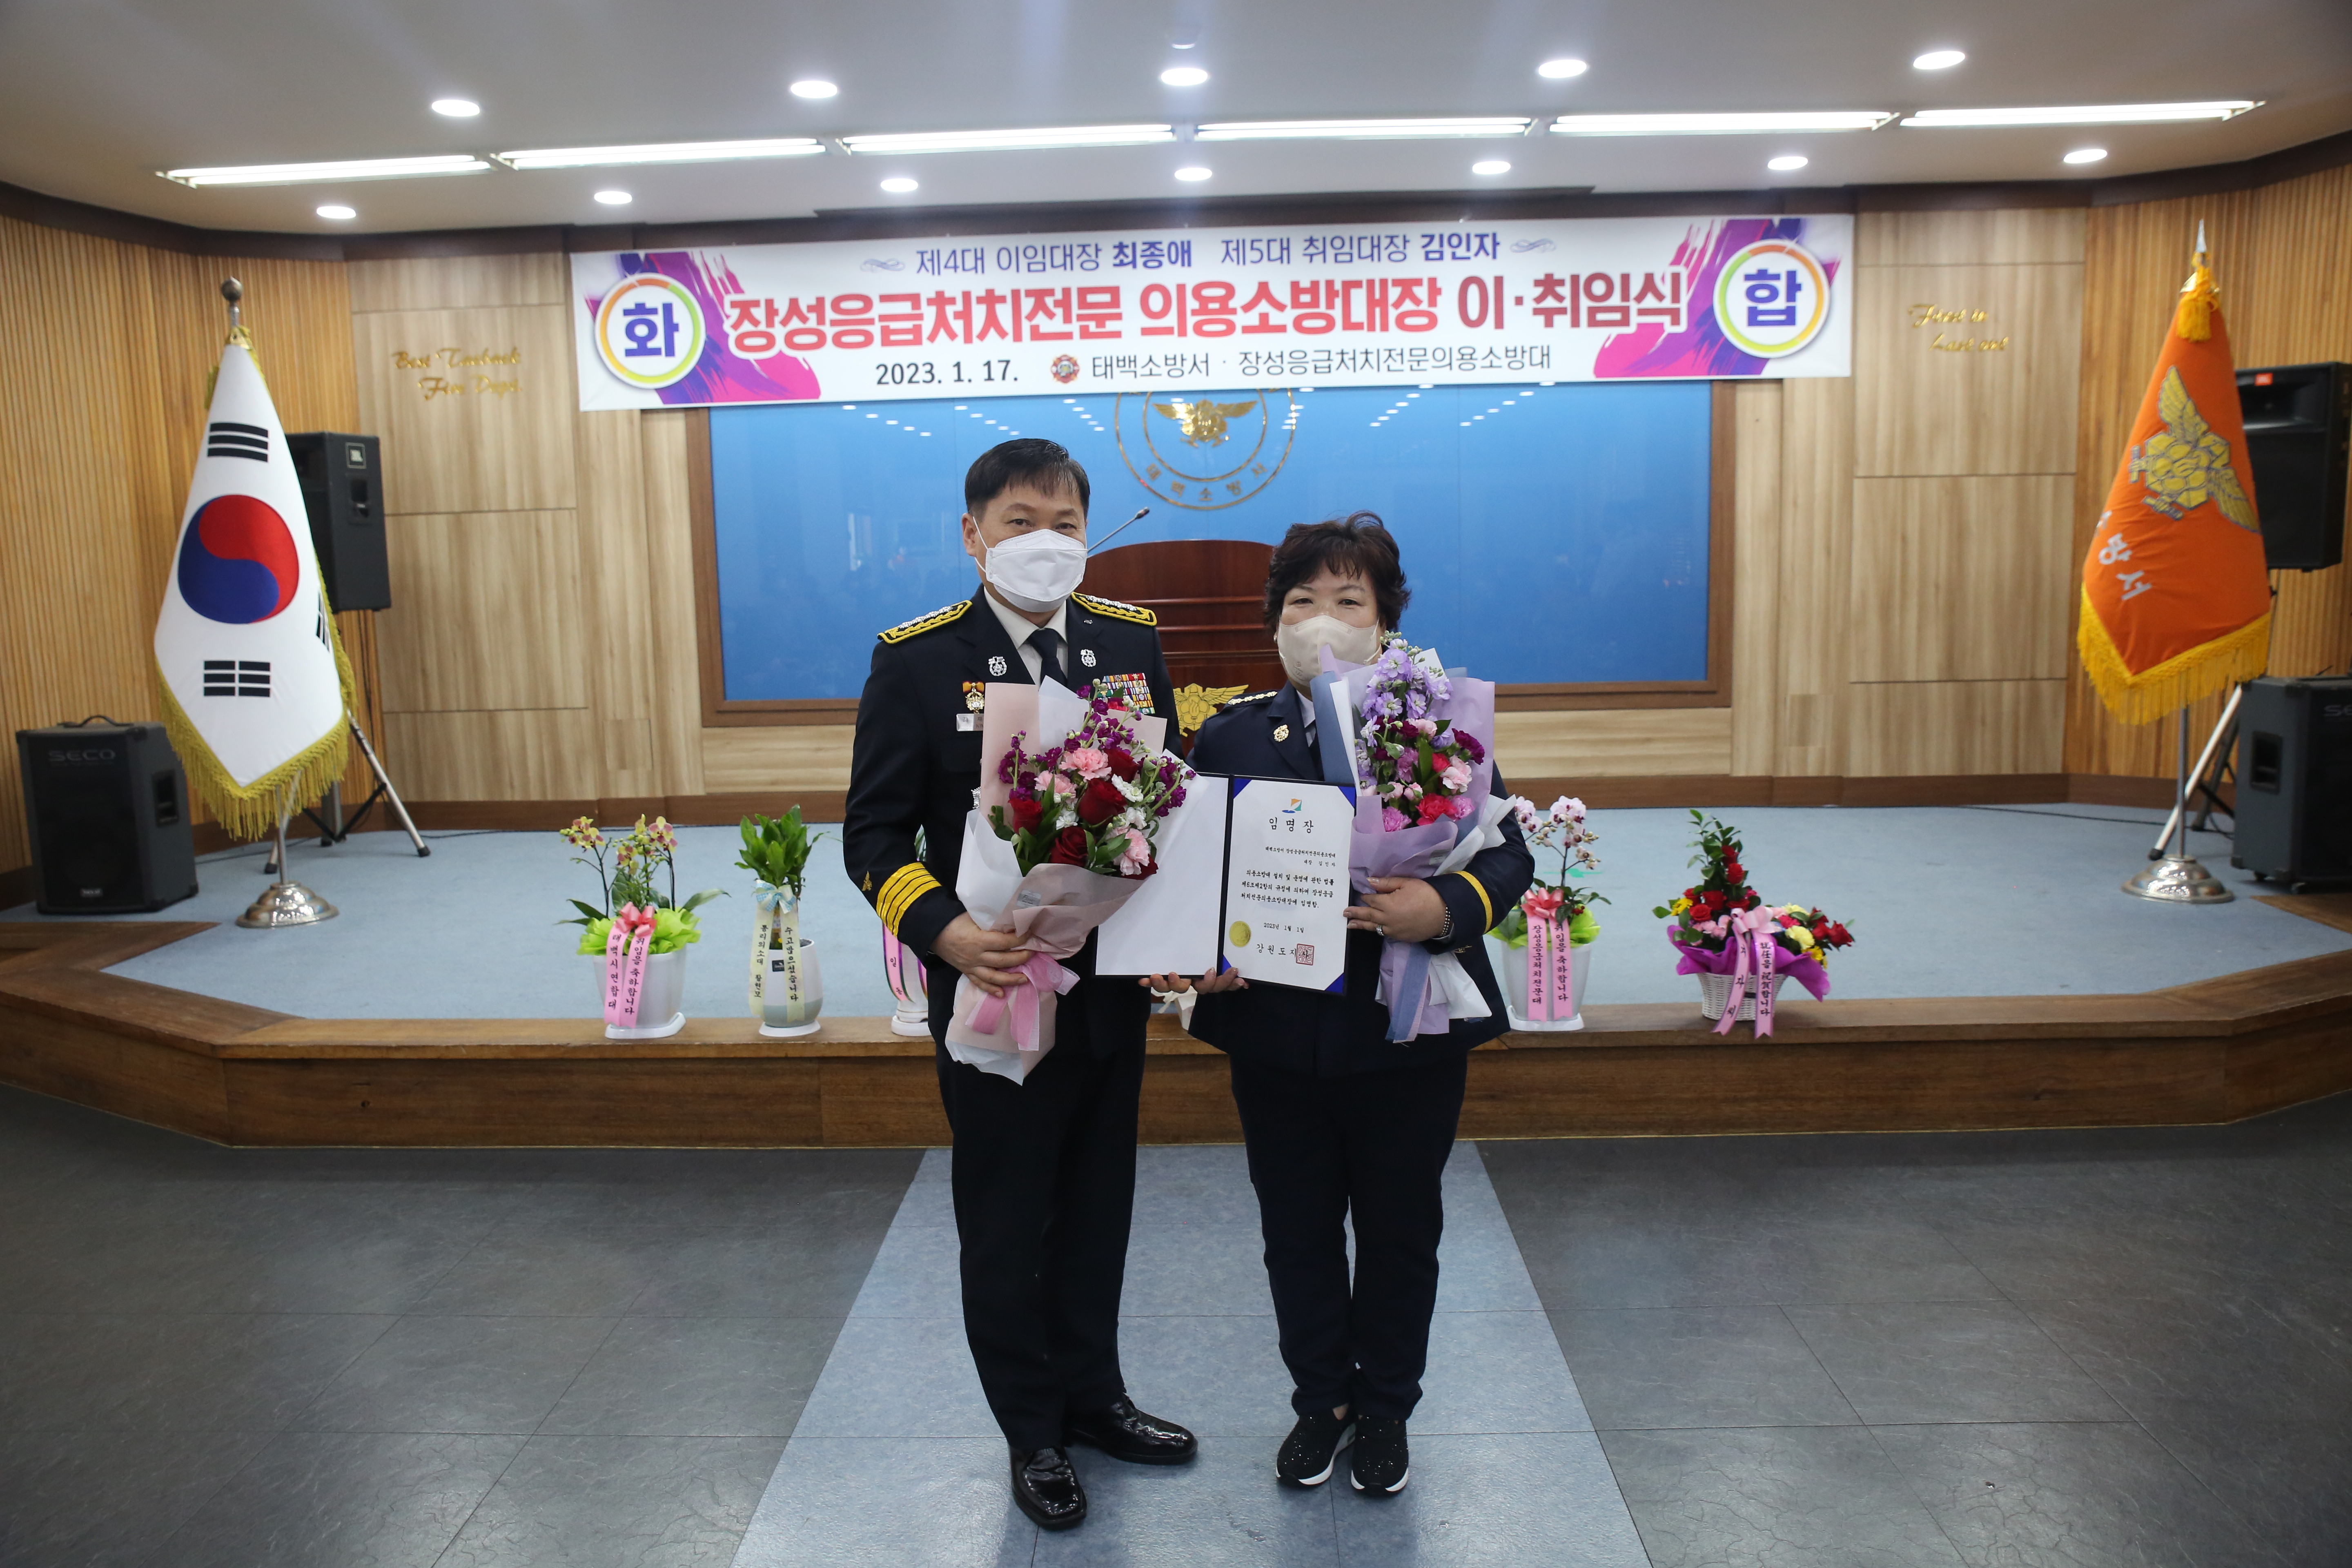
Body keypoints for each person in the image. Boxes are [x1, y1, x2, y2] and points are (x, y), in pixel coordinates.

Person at [842, 439, 1195, 1533]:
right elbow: (872, 837)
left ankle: (1095, 1398)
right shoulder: (915, 662)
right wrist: (947, 935)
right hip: (992, 989)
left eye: (1065, 523)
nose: (1046, 542)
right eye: (1020, 522)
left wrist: (1177, 929)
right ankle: (1032, 1430)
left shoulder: (1129, 645)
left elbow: (1166, 807)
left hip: (1107, 990)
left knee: (1098, 1204)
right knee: (1006, 1216)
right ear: (973, 536)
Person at [1147, 513, 1532, 1499]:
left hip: (1406, 1029)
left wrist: (1444, 907)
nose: (1323, 619)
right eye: (1302, 601)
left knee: (1402, 1231)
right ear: (1274, 622)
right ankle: (1321, 1402)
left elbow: (1507, 853)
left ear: (1386, 620)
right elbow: (1194, 874)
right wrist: (1199, 953)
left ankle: (1388, 1406)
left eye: (1348, 600)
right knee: (1297, 1230)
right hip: (1278, 1035)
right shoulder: (1232, 733)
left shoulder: (1437, 723)